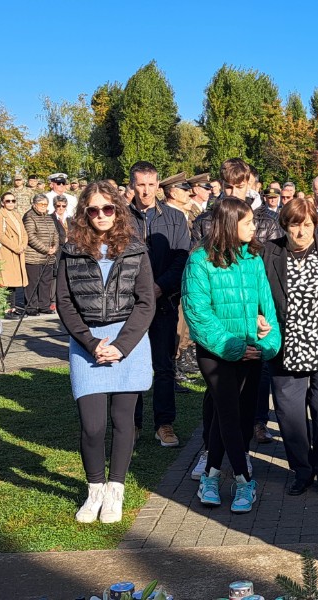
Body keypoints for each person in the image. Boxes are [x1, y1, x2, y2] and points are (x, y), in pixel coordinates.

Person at [57, 181, 155, 523]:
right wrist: (91, 342)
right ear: (85, 212)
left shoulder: (135, 248)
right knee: (93, 426)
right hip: (87, 344)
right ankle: (94, 488)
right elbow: (66, 303)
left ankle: (116, 488)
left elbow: (146, 302)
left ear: (117, 210)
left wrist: (121, 346)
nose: (101, 215)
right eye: (93, 210)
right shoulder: (70, 250)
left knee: (123, 421)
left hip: (129, 342)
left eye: (108, 208)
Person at [182, 197, 281, 513]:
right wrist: (234, 347)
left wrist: (267, 341)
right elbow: (198, 313)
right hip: (216, 353)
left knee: (238, 415)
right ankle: (243, 480)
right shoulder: (200, 261)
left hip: (251, 352)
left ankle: (210, 475)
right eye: (249, 222)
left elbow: (268, 306)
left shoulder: (253, 258)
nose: (255, 227)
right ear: (230, 224)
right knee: (227, 412)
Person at [262, 199, 318, 497]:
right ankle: (301, 470)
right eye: (294, 225)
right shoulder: (267, 254)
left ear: (316, 224)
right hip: (286, 349)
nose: (301, 232)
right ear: (284, 226)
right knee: (289, 415)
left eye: (307, 225)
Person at [128, 161, 191, 448]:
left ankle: (164, 424)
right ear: (133, 185)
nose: (146, 190)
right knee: (132, 365)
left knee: (163, 366)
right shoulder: (121, 218)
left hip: (163, 301)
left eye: (151, 184)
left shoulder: (176, 218)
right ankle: (133, 423)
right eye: (141, 184)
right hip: (129, 304)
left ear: (157, 185)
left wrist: (159, 286)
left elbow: (182, 258)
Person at [0, 192, 29, 318]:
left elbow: (24, 232)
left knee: (13, 283)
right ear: (2, 202)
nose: (11, 203)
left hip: (18, 251)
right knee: (5, 281)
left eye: (13, 200)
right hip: (7, 251)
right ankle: (6, 309)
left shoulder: (16, 214)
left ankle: (12, 308)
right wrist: (16, 247)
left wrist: (23, 245)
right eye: (8, 201)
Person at [22, 194, 59, 315]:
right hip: (33, 256)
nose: (44, 207)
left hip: (48, 256)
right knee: (33, 283)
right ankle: (31, 307)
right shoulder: (29, 216)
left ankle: (44, 305)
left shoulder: (48, 217)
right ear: (34, 204)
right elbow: (30, 236)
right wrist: (45, 249)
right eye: (41, 204)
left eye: (45, 204)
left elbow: (55, 233)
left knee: (46, 282)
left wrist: (55, 247)